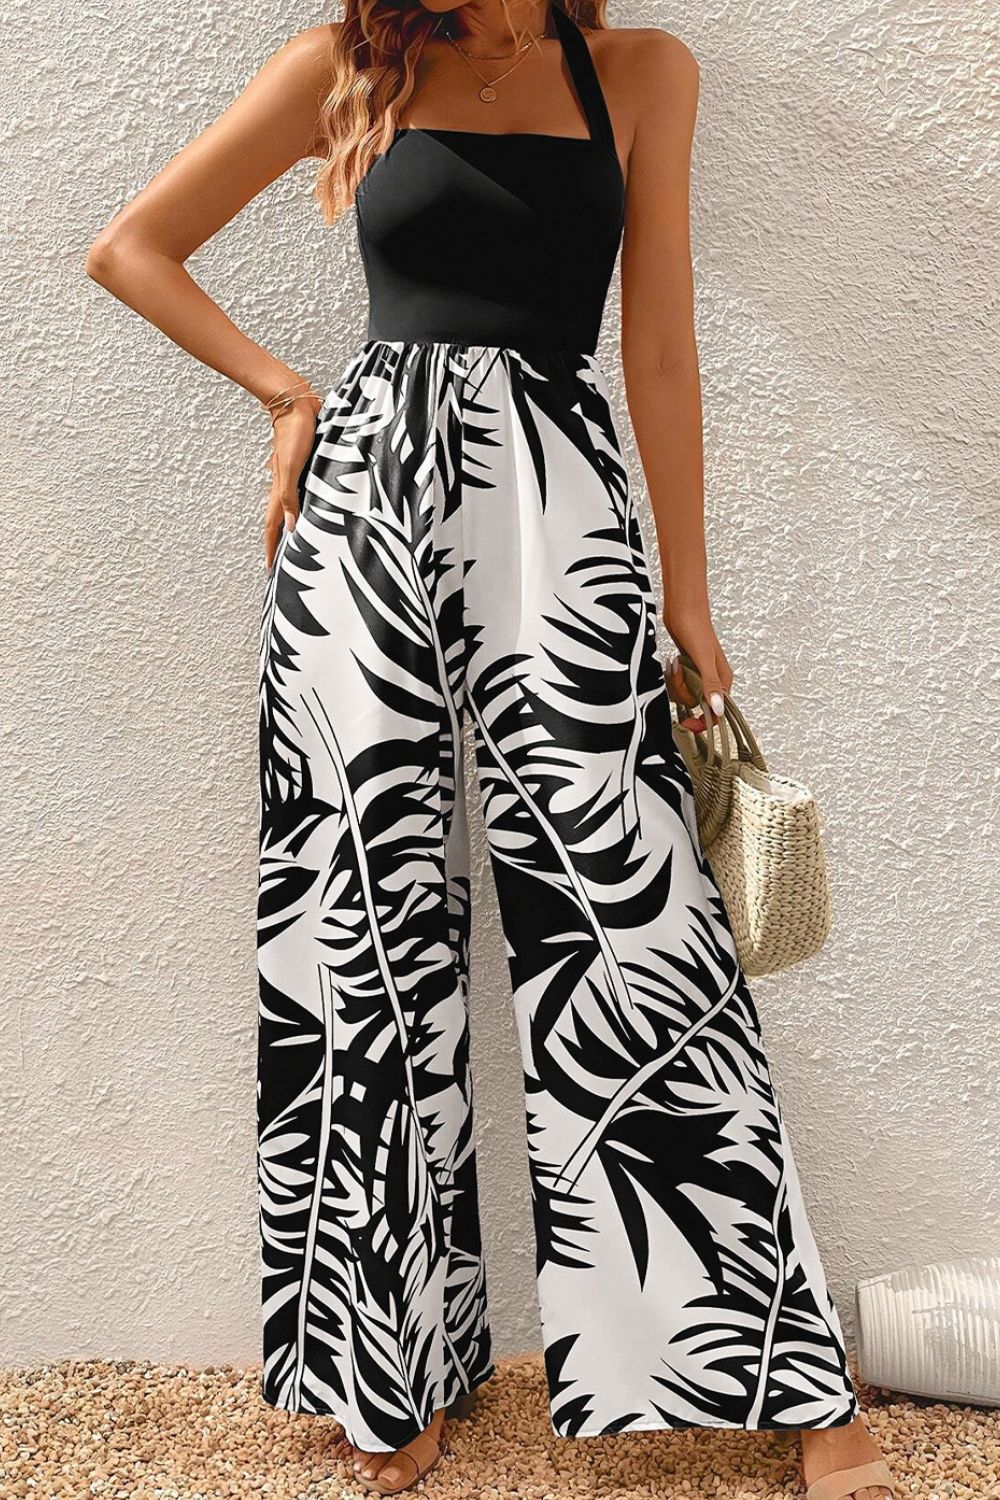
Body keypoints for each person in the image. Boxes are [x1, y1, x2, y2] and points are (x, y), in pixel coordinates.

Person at [85, 3, 896, 1497]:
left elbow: (659, 342)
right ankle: (387, 1372)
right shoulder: (347, 67)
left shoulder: (639, 71)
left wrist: (688, 595)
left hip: (560, 509)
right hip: (365, 506)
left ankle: (778, 1370)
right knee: (360, 920)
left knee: (632, 924)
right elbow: (134, 248)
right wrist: (286, 396)